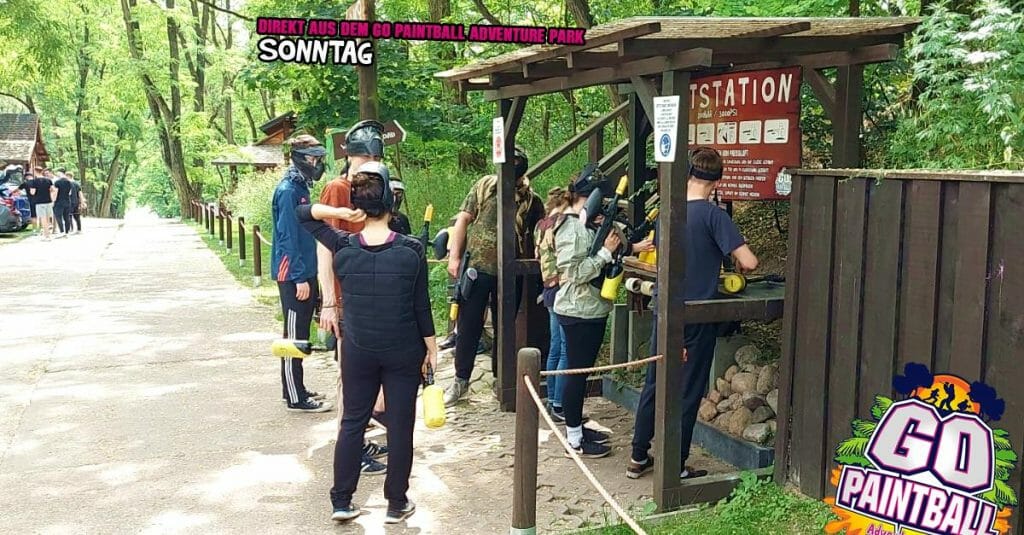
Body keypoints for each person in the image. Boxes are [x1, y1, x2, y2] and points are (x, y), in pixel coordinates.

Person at [297, 161, 437, 525]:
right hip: (403, 349)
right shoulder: (411, 250)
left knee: (352, 422)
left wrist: (342, 213)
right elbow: (421, 305)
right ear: (391, 202)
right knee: (401, 426)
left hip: (358, 349)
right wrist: (432, 347)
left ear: (358, 204)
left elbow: (304, 214)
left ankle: (342, 500)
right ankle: (396, 503)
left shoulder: (342, 245)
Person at [628, 147, 758, 480]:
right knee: (687, 390)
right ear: (717, 181)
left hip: (664, 309)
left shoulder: (667, 211)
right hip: (696, 315)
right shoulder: (715, 216)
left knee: (656, 381)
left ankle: (638, 454)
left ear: (688, 174)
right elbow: (750, 261)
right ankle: (676, 464)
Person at [553, 166, 652, 458]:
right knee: (576, 373)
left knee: (581, 372)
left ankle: (577, 427)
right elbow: (574, 272)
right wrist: (605, 253)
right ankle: (574, 438)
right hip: (578, 310)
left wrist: (618, 247)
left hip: (591, 309)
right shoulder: (571, 227)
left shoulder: (587, 224)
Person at [443, 148, 545, 406]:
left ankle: (503, 381)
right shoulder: (485, 186)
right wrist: (454, 257)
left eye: (517, 162)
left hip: (510, 273)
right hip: (477, 269)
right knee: (468, 326)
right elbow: (463, 220)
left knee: (505, 329)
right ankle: (460, 380)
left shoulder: (531, 200)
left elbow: (541, 233)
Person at [317, 120, 389, 475]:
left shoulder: (376, 188)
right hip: (347, 299)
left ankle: (359, 437)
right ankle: (351, 448)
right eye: (364, 158)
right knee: (350, 377)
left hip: (371, 296)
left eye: (374, 158)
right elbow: (324, 248)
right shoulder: (338, 189)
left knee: (367, 376)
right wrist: (329, 301)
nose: (369, 163)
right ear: (351, 157)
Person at [271, 134, 332, 413]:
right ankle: (295, 397)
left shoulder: (300, 186)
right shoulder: (288, 190)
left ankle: (296, 387)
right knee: (293, 336)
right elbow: (287, 236)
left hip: (306, 269)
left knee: (301, 332)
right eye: (313, 158)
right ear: (300, 157)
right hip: (293, 274)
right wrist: (297, 277)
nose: (317, 163)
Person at [534, 186, 571, 422]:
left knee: (555, 346)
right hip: (562, 287)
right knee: (566, 348)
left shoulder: (541, 226)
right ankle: (559, 403)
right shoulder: (563, 223)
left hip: (548, 287)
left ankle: (551, 398)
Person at [22, 171, 55, 241]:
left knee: (43, 218)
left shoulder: (35, 181)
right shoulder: (48, 180)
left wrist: (32, 190)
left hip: (39, 202)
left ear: (36, 172)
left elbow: (32, 192)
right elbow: (52, 190)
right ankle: (48, 234)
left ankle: (46, 236)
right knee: (48, 218)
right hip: (48, 201)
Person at [53, 168, 74, 238]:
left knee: (58, 216)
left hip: (59, 201)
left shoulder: (57, 182)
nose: (57, 174)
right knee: (66, 217)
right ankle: (67, 232)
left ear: (60, 173)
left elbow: (55, 193)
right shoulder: (69, 182)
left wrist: (53, 201)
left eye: (57, 173)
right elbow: (70, 193)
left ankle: (62, 231)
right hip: (67, 200)